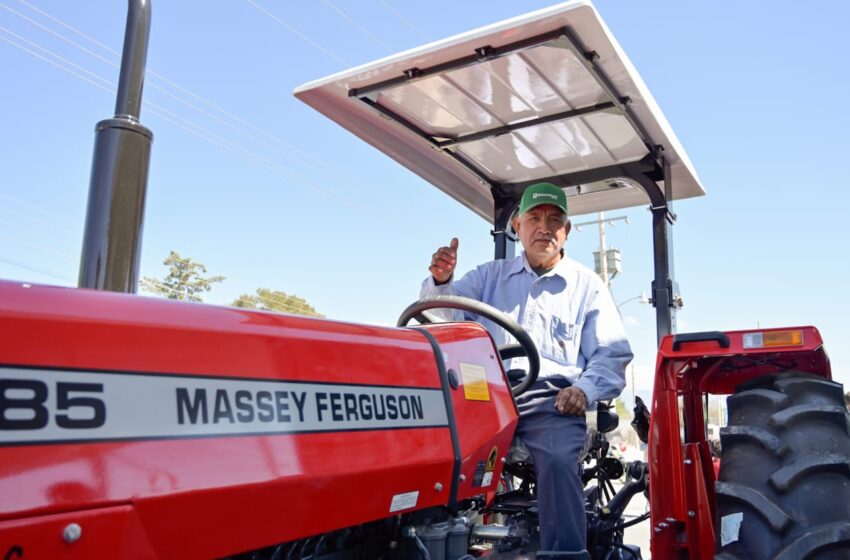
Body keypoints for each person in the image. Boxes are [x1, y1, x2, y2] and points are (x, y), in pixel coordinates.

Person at [421, 182, 633, 554]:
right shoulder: (489, 277)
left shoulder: (587, 286)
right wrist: (441, 283)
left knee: (554, 456)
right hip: (484, 393)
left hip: (552, 398)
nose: (544, 227)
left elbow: (611, 356)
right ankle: (420, 540)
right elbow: (440, 316)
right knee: (426, 445)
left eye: (554, 220)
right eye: (534, 218)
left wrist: (583, 390)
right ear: (517, 226)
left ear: (566, 231)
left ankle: (565, 553)